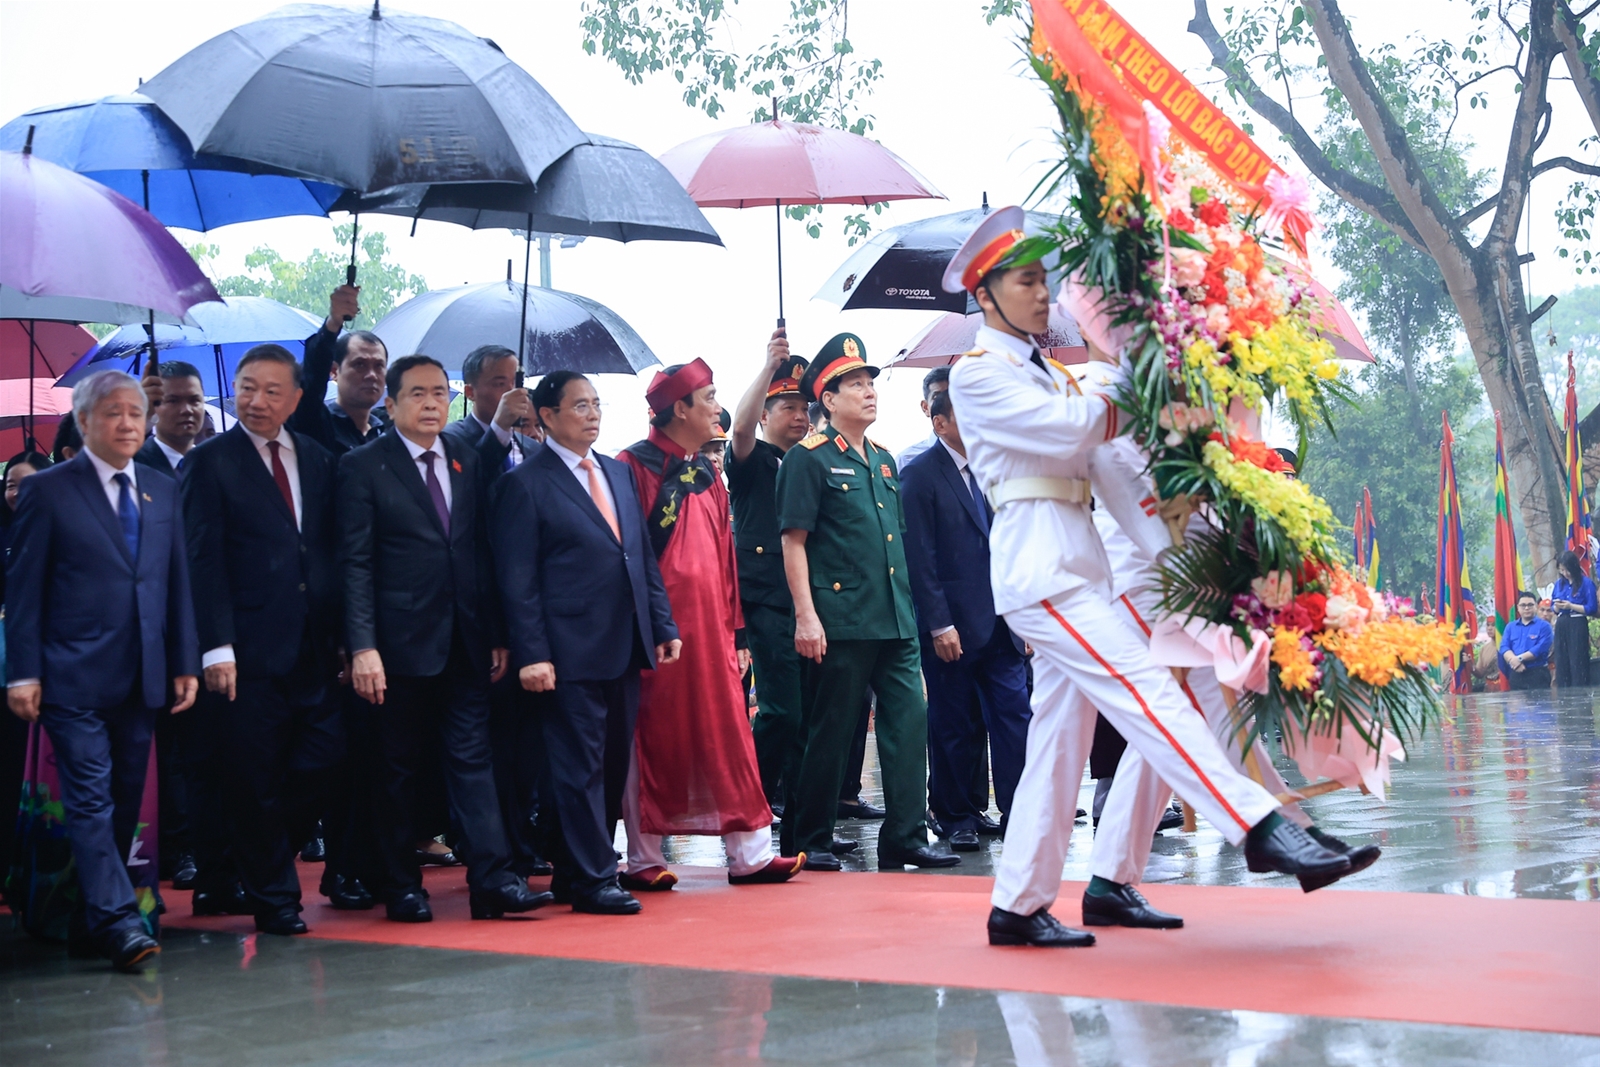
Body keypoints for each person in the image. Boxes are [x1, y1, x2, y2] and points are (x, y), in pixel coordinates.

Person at [941, 207, 1351, 948]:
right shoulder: (977, 377)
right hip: (1042, 572)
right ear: (986, 295)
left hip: (1079, 569)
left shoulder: (1056, 377)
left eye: (1045, 279)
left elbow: (1120, 483)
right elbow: (1075, 433)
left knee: (1058, 743)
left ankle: (1019, 902)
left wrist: (1193, 563)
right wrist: (1141, 370)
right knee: (1145, 688)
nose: (1043, 293)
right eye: (1025, 281)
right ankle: (1256, 823)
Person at [338, 354, 549, 924]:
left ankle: (493, 881)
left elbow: (480, 549)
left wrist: (500, 633)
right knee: (398, 768)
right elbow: (354, 565)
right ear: (391, 402)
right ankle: (401, 884)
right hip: (395, 646)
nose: (431, 403)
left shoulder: (464, 459)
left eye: (439, 393)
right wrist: (362, 647)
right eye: (418, 394)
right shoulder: (363, 467)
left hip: (467, 640)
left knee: (474, 761)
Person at [5, 370, 199, 973]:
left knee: (120, 800)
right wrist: (23, 673)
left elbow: (175, 584)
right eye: (113, 413)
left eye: (137, 413)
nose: (127, 424)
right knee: (89, 798)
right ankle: (120, 922)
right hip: (70, 675)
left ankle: (94, 918)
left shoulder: (161, 490)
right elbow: (26, 589)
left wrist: (185, 660)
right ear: (85, 422)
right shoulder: (49, 491)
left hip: (141, 674)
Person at [492, 370, 680, 915]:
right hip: (565, 648)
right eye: (579, 406)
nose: (592, 414)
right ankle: (597, 876)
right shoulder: (524, 483)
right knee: (578, 765)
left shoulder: (618, 475)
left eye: (596, 404)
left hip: (624, 642)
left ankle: (577, 873)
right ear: (546, 417)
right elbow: (518, 580)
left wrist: (662, 625)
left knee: (612, 761)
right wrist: (532, 653)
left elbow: (639, 556)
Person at [179, 345, 351, 935]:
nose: (256, 401)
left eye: (272, 391)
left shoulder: (319, 460)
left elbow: (329, 552)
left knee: (323, 762)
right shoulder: (209, 462)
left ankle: (239, 864)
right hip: (244, 653)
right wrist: (215, 645)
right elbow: (201, 561)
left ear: (296, 399)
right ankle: (276, 898)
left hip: (314, 645)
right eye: (248, 388)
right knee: (252, 777)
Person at [616, 360, 804, 888]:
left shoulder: (707, 472)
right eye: (709, 398)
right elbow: (629, 556)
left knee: (732, 736)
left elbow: (726, 554)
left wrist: (736, 629)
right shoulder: (632, 466)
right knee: (651, 738)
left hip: (713, 630)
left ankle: (750, 854)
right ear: (680, 408)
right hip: (659, 633)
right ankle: (644, 859)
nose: (717, 407)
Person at [775, 334, 953, 872]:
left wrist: (914, 616)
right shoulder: (808, 460)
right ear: (828, 399)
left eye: (871, 382)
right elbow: (793, 542)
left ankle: (905, 835)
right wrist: (806, 615)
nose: (869, 392)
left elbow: (895, 543)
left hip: (894, 619)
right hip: (841, 620)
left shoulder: (883, 460)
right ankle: (810, 838)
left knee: (909, 721)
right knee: (832, 730)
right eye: (856, 384)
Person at [900, 386, 1031, 851]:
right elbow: (920, 557)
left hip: (1003, 623)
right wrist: (937, 623)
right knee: (954, 723)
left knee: (1016, 717)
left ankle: (1021, 810)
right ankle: (955, 815)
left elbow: (1015, 545)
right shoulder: (918, 475)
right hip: (951, 628)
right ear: (941, 423)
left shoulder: (997, 470)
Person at [441, 343, 546, 877]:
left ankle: (523, 837)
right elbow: (468, 491)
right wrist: (499, 430)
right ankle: (486, 842)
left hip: (528, 611)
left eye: (515, 379)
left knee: (528, 743)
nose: (511, 389)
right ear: (470, 390)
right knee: (490, 740)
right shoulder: (458, 439)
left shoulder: (530, 445)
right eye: (497, 381)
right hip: (481, 614)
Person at [727, 334, 811, 814]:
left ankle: (803, 820)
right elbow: (739, 429)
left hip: (810, 600)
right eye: (786, 406)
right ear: (765, 414)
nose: (799, 416)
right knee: (781, 711)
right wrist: (767, 367)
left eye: (804, 407)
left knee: (807, 716)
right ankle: (750, 805)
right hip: (766, 598)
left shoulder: (812, 460)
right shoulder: (752, 459)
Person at [292, 285, 389, 455]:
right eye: (360, 364)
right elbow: (310, 383)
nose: (371, 375)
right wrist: (333, 324)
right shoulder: (314, 424)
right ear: (334, 371)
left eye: (379, 366)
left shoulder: (390, 433)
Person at [441, 343, 542, 474]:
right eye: (500, 384)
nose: (512, 392)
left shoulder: (533, 448)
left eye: (517, 383)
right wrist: (500, 426)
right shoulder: (450, 440)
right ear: (470, 392)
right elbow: (472, 478)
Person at [136, 360, 207, 478]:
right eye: (173, 401)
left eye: (194, 400)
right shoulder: (132, 463)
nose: (187, 410)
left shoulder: (219, 466)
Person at [1549, 550, 1596, 688]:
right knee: (1562, 659)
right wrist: (1557, 607)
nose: (1565, 573)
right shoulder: (1559, 584)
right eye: (1562, 570)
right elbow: (1552, 606)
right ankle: (1564, 690)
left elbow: (1591, 608)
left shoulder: (1586, 583)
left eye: (1567, 569)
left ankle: (1580, 689)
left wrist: (1571, 605)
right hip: (1562, 622)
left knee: (1578, 659)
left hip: (1577, 621)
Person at [896, 366, 951, 468]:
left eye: (952, 395)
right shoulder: (907, 460)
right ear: (925, 408)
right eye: (937, 397)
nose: (947, 404)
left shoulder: (982, 454)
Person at [1500, 590, 1554, 691]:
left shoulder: (1544, 626)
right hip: (1516, 673)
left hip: (1537, 673)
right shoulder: (1510, 627)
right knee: (1517, 705)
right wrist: (1513, 661)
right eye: (1523, 605)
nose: (1526, 608)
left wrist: (1519, 659)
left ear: (1536, 607)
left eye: (1530, 605)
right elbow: (1504, 647)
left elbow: (1540, 648)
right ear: (1518, 608)